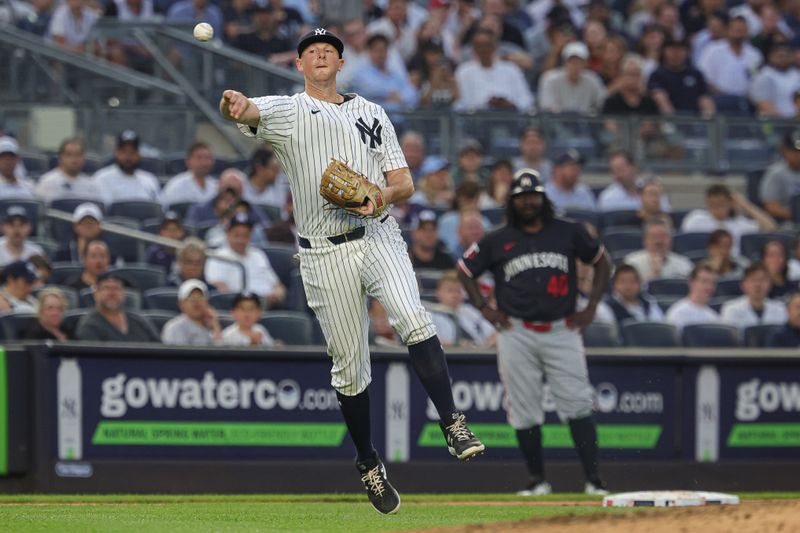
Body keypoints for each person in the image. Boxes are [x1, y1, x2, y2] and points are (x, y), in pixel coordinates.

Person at [219, 27, 484, 514]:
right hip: (323, 252)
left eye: (329, 51)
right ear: (300, 65)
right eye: (311, 52)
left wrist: (378, 196)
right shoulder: (288, 110)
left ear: (341, 63)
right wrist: (235, 102)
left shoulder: (373, 112)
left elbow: (402, 182)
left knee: (413, 317)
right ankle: (368, 462)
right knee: (350, 366)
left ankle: (452, 421)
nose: (321, 56)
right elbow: (249, 110)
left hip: (378, 233)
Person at [457, 169, 612, 496]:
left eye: (534, 195)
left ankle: (594, 481)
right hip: (516, 331)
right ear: (512, 201)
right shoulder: (498, 238)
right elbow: (465, 269)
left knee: (578, 403)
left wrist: (591, 305)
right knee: (524, 408)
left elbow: (601, 261)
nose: (529, 201)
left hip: (562, 328)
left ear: (544, 198)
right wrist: (485, 308)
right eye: (522, 196)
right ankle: (537, 481)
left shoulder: (568, 231)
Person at [204, 212, 284, 305]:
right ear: (228, 234)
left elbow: (277, 285)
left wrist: (277, 295)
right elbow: (220, 289)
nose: (241, 240)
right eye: (237, 235)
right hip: (240, 307)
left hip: (270, 305)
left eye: (245, 235)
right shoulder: (218, 256)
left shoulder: (258, 254)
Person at [454, 28, 533, 112]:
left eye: (487, 45)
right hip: (477, 120)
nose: (483, 50)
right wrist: (487, 104)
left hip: (510, 117)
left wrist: (509, 104)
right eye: (479, 46)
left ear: (494, 47)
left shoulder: (511, 69)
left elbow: (526, 100)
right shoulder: (464, 71)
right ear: (474, 49)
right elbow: (462, 103)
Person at [681, 184, 775, 254]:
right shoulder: (696, 219)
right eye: (712, 205)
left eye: (721, 204)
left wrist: (745, 205)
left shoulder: (740, 223)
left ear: (731, 203)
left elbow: (770, 227)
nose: (717, 209)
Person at [75, 271, 160, 342]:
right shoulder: (90, 324)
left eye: (117, 288)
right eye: (106, 288)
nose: (112, 293)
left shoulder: (139, 320)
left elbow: (159, 349)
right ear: (96, 294)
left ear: (123, 294)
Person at [349, 32, 419, 115]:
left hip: (398, 122)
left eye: (384, 50)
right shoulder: (361, 73)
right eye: (377, 50)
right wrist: (390, 94)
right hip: (372, 122)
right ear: (369, 52)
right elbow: (371, 90)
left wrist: (401, 97)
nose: (381, 54)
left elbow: (413, 93)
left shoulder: (393, 74)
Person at [697, 15, 762, 98]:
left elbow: (757, 79)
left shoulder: (754, 54)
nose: (739, 33)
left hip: (746, 100)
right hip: (718, 97)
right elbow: (703, 77)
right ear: (728, 30)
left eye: (742, 30)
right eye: (737, 30)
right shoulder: (713, 50)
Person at [648, 37, 715, 116]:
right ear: (664, 51)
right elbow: (660, 98)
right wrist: (673, 122)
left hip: (695, 119)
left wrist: (708, 118)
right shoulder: (657, 75)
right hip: (668, 120)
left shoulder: (695, 74)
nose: (676, 53)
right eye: (672, 50)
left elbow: (704, 98)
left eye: (680, 50)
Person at [430, 269, 495, 347]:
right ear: (438, 293)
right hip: (450, 355)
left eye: (458, 291)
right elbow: (431, 344)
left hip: (478, 353)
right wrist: (457, 345)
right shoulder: (431, 315)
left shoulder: (470, 311)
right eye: (450, 291)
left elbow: (491, 332)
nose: (455, 295)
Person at [538, 41, 607, 114]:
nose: (575, 66)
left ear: (585, 64)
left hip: (585, 123)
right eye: (572, 62)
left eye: (579, 62)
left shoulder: (593, 79)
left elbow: (602, 102)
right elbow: (547, 107)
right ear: (564, 63)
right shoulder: (549, 79)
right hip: (557, 122)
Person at [93, 130, 161, 204]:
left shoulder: (150, 181)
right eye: (124, 152)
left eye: (132, 152)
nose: (128, 157)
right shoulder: (101, 179)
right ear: (116, 153)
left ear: (139, 154)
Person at [720, 262, 787, 333]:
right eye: (753, 280)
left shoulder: (781, 309)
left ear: (770, 285)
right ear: (743, 285)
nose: (757, 285)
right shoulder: (731, 309)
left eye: (762, 280)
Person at [624, 217, 693, 282]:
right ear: (645, 241)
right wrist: (654, 273)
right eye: (654, 237)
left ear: (670, 239)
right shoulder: (632, 263)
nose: (658, 241)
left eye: (663, 236)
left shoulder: (684, 264)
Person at [598, 150, 670, 212]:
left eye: (621, 170)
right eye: (614, 171)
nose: (618, 175)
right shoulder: (608, 197)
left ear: (634, 167)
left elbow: (665, 216)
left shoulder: (653, 190)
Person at [35, 138, 101, 204]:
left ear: (83, 157)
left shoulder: (91, 184)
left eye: (78, 155)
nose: (74, 159)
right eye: (69, 154)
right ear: (61, 157)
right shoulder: (47, 182)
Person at [162, 279, 222, 345]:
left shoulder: (211, 325)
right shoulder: (174, 328)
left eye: (200, 297)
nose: (196, 302)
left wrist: (215, 327)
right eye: (191, 298)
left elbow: (220, 353)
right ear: (181, 304)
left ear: (207, 302)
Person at [160, 142, 218, 209]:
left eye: (207, 158)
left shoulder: (217, 187)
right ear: (188, 161)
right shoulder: (176, 186)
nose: (204, 162)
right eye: (199, 158)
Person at [749, 42, 800, 118]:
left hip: (796, 121)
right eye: (780, 56)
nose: (784, 59)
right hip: (774, 122)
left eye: (787, 56)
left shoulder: (796, 74)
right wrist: (783, 122)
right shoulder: (764, 75)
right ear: (771, 57)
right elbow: (763, 103)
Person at [759, 129, 800, 222]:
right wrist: (796, 216)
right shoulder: (776, 173)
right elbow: (770, 205)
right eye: (794, 151)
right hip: (785, 223)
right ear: (784, 151)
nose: (798, 155)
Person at [665, 264, 720, 333]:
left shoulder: (713, 316)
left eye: (712, 283)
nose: (709, 287)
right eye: (704, 281)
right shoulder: (678, 313)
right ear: (691, 283)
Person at [242, 147, 289, 212]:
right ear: (259, 169)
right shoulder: (240, 185)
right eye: (273, 169)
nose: (277, 174)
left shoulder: (279, 189)